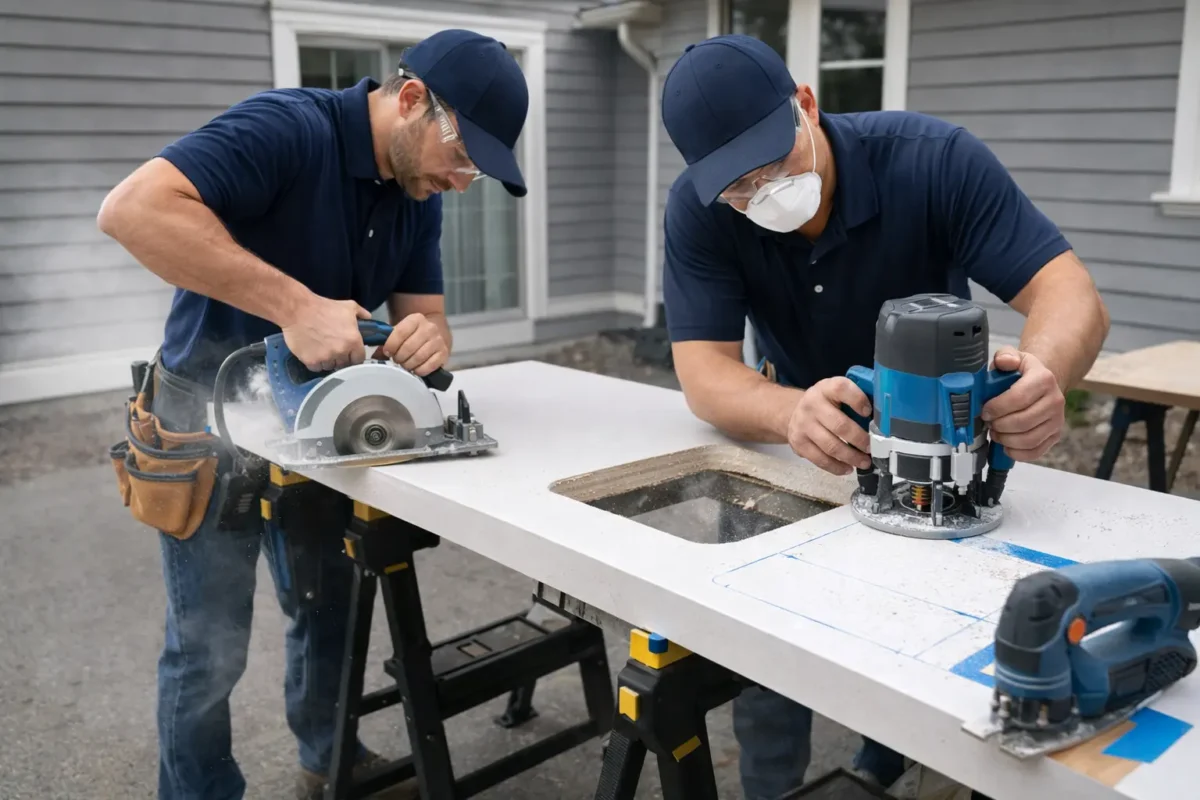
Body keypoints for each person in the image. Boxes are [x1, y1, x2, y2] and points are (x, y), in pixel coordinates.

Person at [657, 34, 1110, 800]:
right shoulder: (700, 212)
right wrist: (788, 411)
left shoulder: (932, 160)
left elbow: (1070, 295)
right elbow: (704, 373)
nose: (763, 192)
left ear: (805, 103)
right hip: (803, 439)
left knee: (924, 635)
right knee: (770, 651)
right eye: (739, 187)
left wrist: (1044, 374)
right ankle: (773, 787)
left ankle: (884, 762)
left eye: (774, 164)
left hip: (941, 450)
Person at [96, 29, 529, 800]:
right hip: (204, 421)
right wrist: (294, 306)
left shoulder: (416, 193)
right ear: (410, 102)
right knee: (207, 650)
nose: (463, 183)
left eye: (476, 173)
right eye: (462, 159)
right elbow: (130, 212)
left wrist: (427, 339)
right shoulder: (286, 130)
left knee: (326, 617)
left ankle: (328, 761)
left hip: (319, 430)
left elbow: (426, 316)